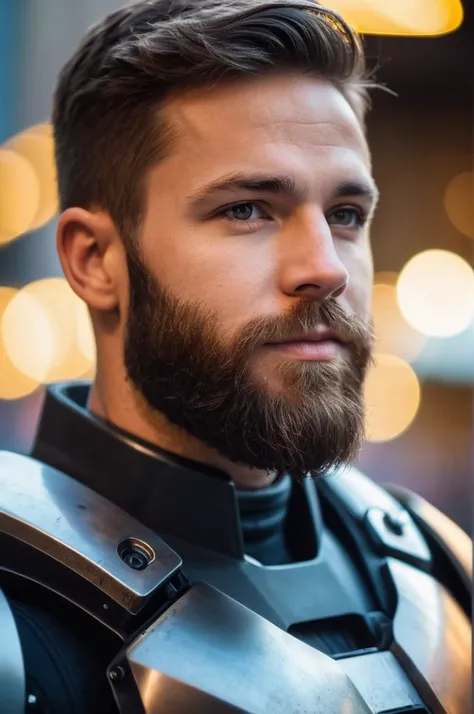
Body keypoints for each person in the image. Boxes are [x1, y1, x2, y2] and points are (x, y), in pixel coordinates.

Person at [0, 1, 471, 712]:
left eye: (346, 214)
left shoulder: (439, 569)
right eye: (247, 208)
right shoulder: (15, 624)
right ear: (95, 260)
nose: (326, 268)